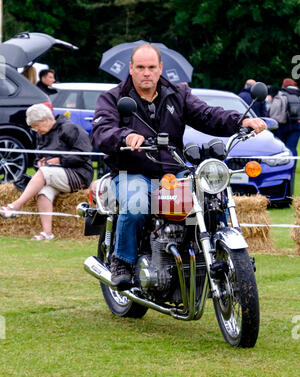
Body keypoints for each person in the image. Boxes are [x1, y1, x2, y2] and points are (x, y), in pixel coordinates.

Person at [92, 43, 267, 290]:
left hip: (172, 170)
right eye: (140, 67)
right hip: (133, 171)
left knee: (210, 195)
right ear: (130, 68)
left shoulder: (177, 93)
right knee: (135, 203)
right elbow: (101, 130)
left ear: (160, 68)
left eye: (151, 67)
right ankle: (122, 261)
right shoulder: (113, 98)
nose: (146, 73)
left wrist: (241, 120)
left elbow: (207, 115)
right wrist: (125, 137)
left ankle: (210, 252)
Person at [0, 103, 94, 240]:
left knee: (44, 172)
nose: (35, 130)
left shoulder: (70, 129)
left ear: (46, 119)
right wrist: (39, 163)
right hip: (54, 176)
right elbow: (38, 157)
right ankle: (47, 233)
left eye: (36, 125)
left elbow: (85, 154)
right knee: (43, 194)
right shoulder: (41, 134)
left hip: (79, 174)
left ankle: (16, 206)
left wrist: (60, 160)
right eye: (33, 127)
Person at [269, 78, 300, 157]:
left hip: (283, 125)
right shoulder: (298, 95)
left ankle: (284, 166)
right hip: (297, 125)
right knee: (292, 147)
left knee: (282, 147)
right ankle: (292, 168)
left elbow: (274, 111)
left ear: (284, 85)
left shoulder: (281, 95)